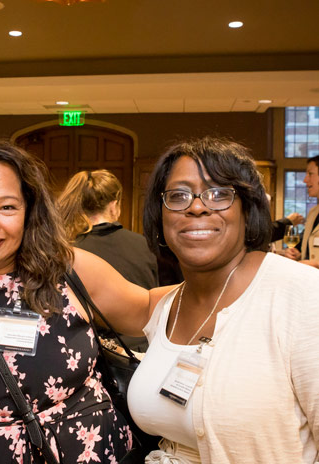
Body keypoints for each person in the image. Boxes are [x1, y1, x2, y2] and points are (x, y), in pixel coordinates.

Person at [0, 138, 163, 464]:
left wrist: (234, 276)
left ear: (28, 211)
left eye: (7, 207)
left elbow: (150, 308)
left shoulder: (68, 271)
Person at [127, 137, 319, 463]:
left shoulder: (302, 297)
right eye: (178, 195)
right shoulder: (166, 308)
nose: (197, 206)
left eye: (219, 194)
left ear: (248, 209)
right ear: (159, 216)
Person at [57, 169, 158, 351]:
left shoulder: (71, 253)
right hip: (145, 350)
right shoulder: (145, 245)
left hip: (97, 352)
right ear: (114, 204)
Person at [284, 155, 319, 268]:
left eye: (310, 174)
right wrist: (299, 255)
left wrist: (316, 264)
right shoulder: (313, 212)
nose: (305, 180)